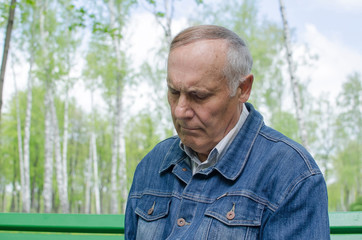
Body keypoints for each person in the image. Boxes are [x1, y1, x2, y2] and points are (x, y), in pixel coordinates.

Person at [125, 25, 330, 239]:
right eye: (174, 92)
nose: (180, 110)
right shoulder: (152, 165)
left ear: (243, 89)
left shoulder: (291, 174)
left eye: (199, 95)